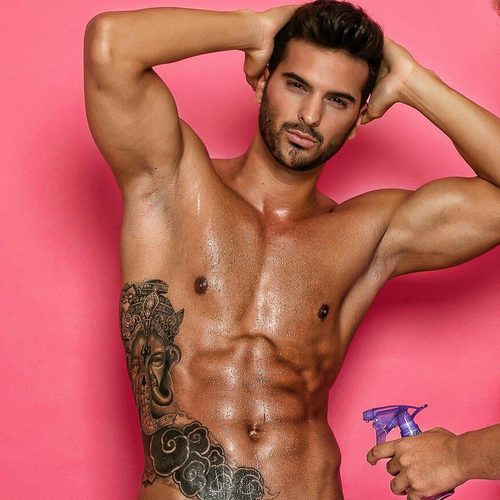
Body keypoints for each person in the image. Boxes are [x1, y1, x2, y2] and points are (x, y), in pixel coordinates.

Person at [83, 1, 500, 498]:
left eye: (338, 100)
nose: (310, 115)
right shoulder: (170, 182)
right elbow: (110, 46)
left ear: (360, 117)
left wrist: (413, 82)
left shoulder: (370, 232)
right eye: (297, 85)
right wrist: (253, 29)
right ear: (263, 81)